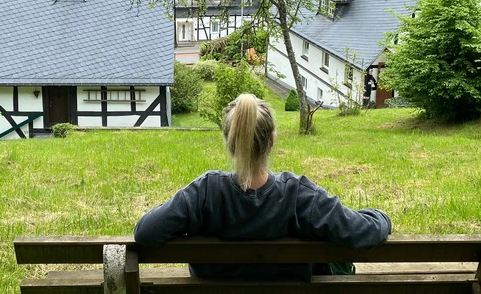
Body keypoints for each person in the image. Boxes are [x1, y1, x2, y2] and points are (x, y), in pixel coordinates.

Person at [134, 93, 392, 284]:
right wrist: (382, 217)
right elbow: (362, 232)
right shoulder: (298, 194)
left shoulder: (205, 191)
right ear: (272, 140)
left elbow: (146, 232)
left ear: (229, 141)